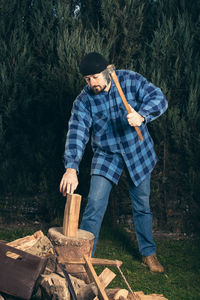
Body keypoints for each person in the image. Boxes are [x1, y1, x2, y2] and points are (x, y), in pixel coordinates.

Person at [60, 52, 168, 273]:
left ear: (107, 72)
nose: (92, 83)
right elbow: (77, 133)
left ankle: (148, 253)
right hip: (106, 154)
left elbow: (159, 98)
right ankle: (83, 259)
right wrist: (71, 167)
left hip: (136, 150)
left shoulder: (129, 80)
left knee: (142, 206)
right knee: (95, 205)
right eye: (87, 79)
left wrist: (142, 115)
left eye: (96, 77)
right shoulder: (84, 100)